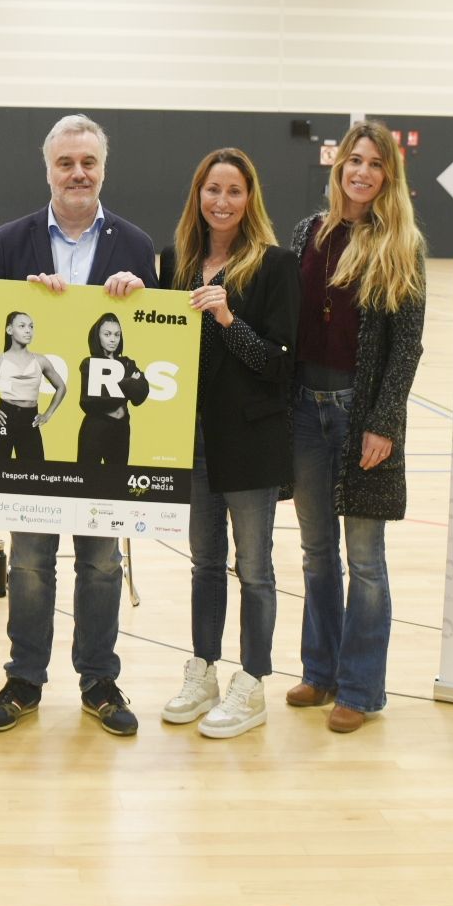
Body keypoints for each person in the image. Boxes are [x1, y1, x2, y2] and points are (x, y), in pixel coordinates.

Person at [0, 113, 156, 738]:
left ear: (103, 168)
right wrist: (19, 304)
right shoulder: (9, 241)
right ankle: (24, 677)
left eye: (88, 163)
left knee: (102, 562)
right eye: (65, 163)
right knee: (29, 560)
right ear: (47, 167)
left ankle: (99, 679)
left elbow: (153, 343)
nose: (77, 173)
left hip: (102, 438)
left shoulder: (136, 246)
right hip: (35, 433)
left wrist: (141, 293)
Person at [289, 121, 426, 734]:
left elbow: (406, 348)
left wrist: (383, 421)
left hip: (360, 414)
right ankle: (319, 672)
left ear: (388, 176)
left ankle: (361, 688)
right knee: (318, 552)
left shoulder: (402, 244)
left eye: (375, 163)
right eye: (354, 160)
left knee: (365, 559)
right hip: (305, 411)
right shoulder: (307, 234)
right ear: (338, 166)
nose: (362, 171)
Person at [156, 148, 297, 739]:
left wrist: (228, 321)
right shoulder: (175, 264)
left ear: (249, 199)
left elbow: (278, 366)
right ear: (198, 196)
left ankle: (253, 681)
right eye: (212, 189)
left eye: (233, 191)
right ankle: (204, 669)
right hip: (191, 442)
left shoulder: (274, 266)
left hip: (252, 444)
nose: (221, 201)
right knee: (205, 565)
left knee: (256, 569)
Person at [0, 310, 68, 461]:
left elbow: (61, 387)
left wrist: (47, 414)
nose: (28, 330)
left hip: (30, 421)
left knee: (34, 476)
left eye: (31, 327)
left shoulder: (41, 360)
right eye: (22, 326)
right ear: (9, 330)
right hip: (4, 418)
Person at [74, 313, 149, 468]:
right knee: (86, 481)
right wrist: (128, 383)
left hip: (121, 430)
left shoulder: (128, 363)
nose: (113, 339)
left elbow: (140, 396)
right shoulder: (90, 363)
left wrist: (113, 388)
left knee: (117, 483)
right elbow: (89, 402)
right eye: (107, 334)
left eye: (117, 334)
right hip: (95, 429)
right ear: (98, 336)